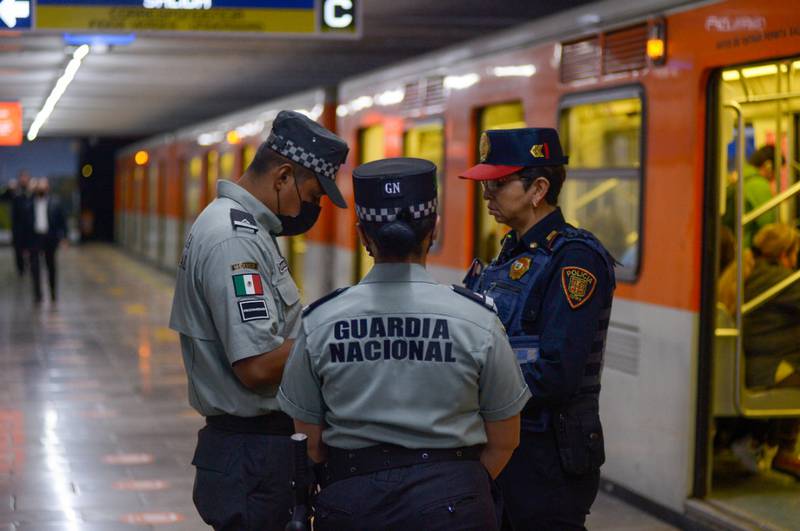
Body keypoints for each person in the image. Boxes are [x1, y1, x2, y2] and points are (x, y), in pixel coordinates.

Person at [278, 157, 530, 530]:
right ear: (434, 230)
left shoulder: (320, 322)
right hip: (455, 504)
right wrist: (455, 489)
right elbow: (505, 440)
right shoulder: (478, 320)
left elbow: (311, 444)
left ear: (363, 235)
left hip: (352, 503)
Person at [168, 110, 349, 531]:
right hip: (252, 456)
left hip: (254, 454)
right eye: (313, 194)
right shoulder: (234, 240)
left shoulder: (246, 229)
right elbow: (257, 365)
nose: (313, 207)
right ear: (283, 176)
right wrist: (334, 335)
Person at [460, 128, 616, 530]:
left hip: (548, 463)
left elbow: (556, 373)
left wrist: (471, 382)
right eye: (485, 184)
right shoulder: (510, 255)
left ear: (538, 188)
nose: (486, 195)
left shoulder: (573, 260)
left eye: (497, 184)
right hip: (508, 452)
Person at [718, 223, 800, 478]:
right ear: (786, 254)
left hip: (755, 365)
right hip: (767, 371)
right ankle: (785, 450)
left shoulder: (749, 271)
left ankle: (767, 441)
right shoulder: (778, 280)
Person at [722, 145, 781, 248]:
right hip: (746, 249)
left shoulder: (739, 178)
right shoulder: (758, 185)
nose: (776, 177)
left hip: (730, 245)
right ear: (768, 165)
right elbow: (768, 225)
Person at [28, 178, 67, 303]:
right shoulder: (29, 203)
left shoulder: (55, 203)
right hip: (35, 238)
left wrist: (63, 238)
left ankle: (52, 292)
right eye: (39, 186)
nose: (41, 189)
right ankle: (37, 294)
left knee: (51, 267)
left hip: (49, 238)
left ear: (48, 188)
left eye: (44, 186)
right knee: (35, 268)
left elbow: (62, 221)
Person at [4, 171, 33, 276]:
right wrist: (9, 188)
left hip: (31, 229)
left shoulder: (32, 192)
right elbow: (4, 198)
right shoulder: (15, 192)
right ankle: (21, 271)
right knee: (18, 252)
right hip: (18, 229)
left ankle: (31, 269)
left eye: (26, 177)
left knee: (32, 251)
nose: (24, 179)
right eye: (22, 177)